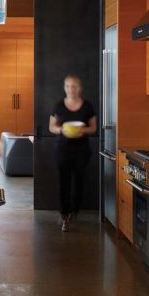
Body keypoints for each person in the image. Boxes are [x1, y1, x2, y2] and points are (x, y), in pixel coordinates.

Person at [49, 75, 96, 232]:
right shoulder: (58, 106)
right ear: (64, 88)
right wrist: (62, 129)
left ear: (80, 88)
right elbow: (52, 127)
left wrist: (83, 130)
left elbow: (93, 128)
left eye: (74, 86)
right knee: (64, 182)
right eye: (68, 86)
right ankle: (64, 214)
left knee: (79, 182)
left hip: (82, 150)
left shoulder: (88, 106)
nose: (71, 89)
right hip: (62, 150)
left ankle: (74, 211)